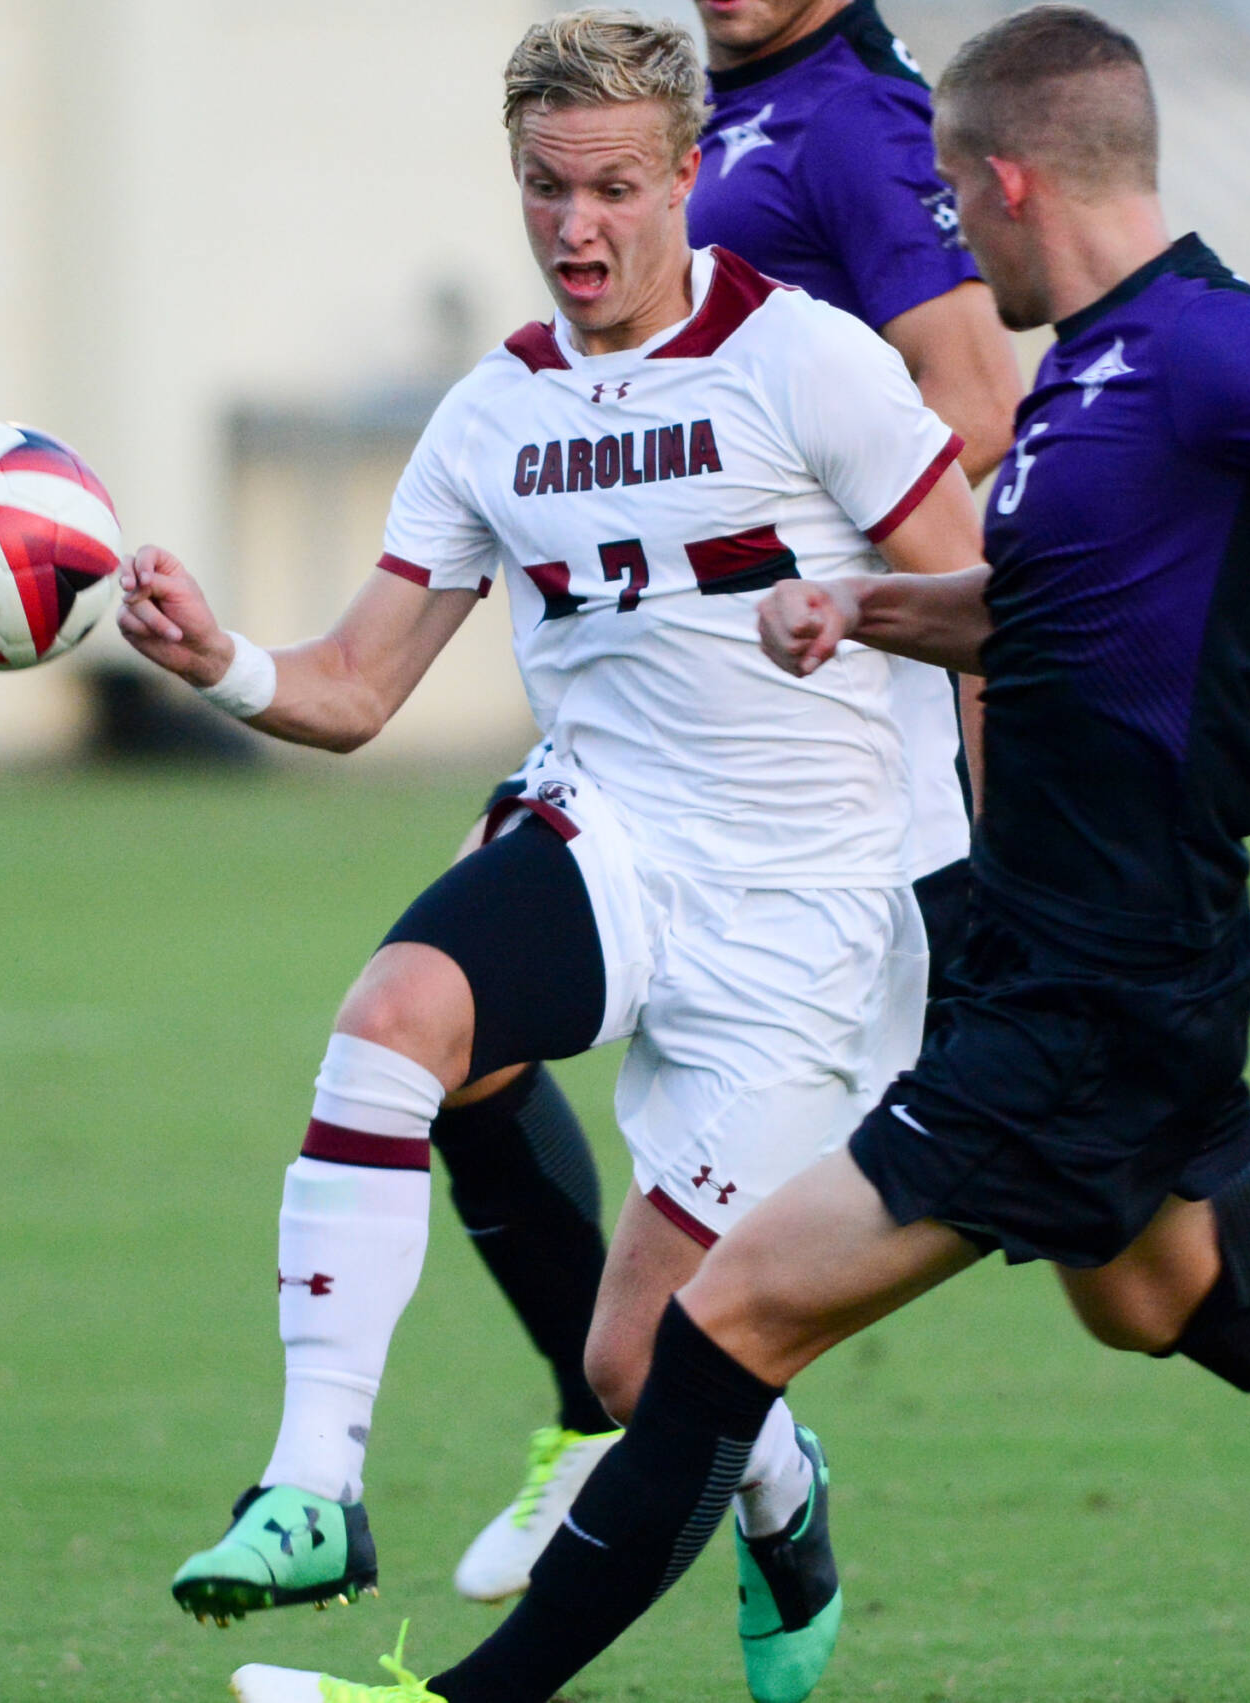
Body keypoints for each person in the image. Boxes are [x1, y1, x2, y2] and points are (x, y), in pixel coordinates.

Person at [228, 9, 1250, 1701]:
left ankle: (458, 1698)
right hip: (1069, 946)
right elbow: (1027, 613)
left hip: (1105, 964)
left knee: (718, 1330)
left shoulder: (1211, 349)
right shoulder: (1081, 378)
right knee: (1155, 1289)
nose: (938, 232)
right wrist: (862, 605)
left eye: (954, 196)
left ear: (1011, 177)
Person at [132, 13, 979, 1700]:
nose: (576, 226)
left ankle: (785, 1489)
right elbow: (357, 686)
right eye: (543, 188)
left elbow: (992, 602)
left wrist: (1005, 864)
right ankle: (312, 1485)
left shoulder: (808, 362)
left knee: (629, 1358)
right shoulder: (493, 411)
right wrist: (220, 655)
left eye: (611, 187)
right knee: (398, 1018)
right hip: (615, 838)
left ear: (686, 179)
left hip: (817, 908)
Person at [434, 0, 1022, 1611]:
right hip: (655, 730)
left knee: (1132, 1238)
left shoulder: (853, 121)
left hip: (812, 739)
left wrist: (807, 536)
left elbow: (966, 411)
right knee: (442, 1021)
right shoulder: (723, 91)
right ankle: (601, 1405)